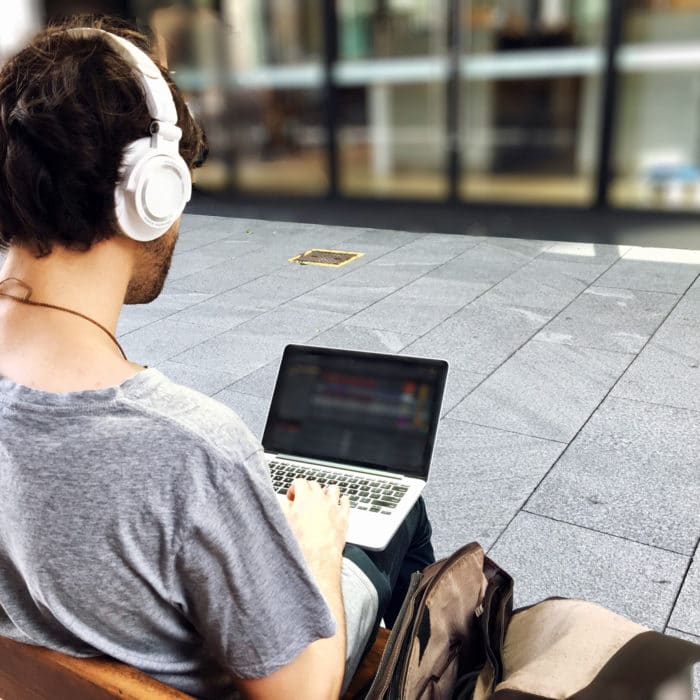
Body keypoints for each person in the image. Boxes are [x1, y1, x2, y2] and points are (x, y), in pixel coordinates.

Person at [0, 17, 435, 700]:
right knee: (395, 522)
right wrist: (317, 552)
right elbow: (301, 696)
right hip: (278, 673)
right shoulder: (193, 451)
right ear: (153, 191)